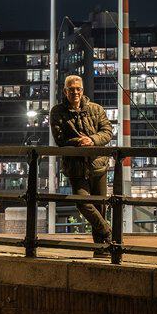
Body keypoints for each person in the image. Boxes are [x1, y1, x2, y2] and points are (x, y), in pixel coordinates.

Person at [49, 74, 114, 244]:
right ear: (65, 91)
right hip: (75, 166)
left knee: (99, 207)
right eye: (71, 89)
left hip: (98, 164)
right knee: (82, 201)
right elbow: (60, 139)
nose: (75, 92)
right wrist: (79, 141)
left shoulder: (96, 109)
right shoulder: (57, 112)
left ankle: (101, 248)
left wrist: (92, 140)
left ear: (83, 90)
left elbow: (107, 132)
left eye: (78, 89)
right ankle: (108, 230)